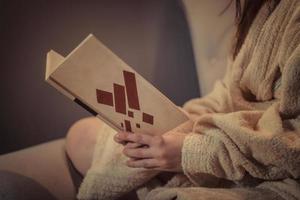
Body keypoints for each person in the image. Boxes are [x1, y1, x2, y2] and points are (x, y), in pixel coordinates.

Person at [1, 0, 300, 199]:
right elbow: (228, 93)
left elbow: (290, 145)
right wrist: (177, 125)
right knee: (81, 135)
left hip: (269, 173)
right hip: (220, 138)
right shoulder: (262, 9)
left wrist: (189, 151)